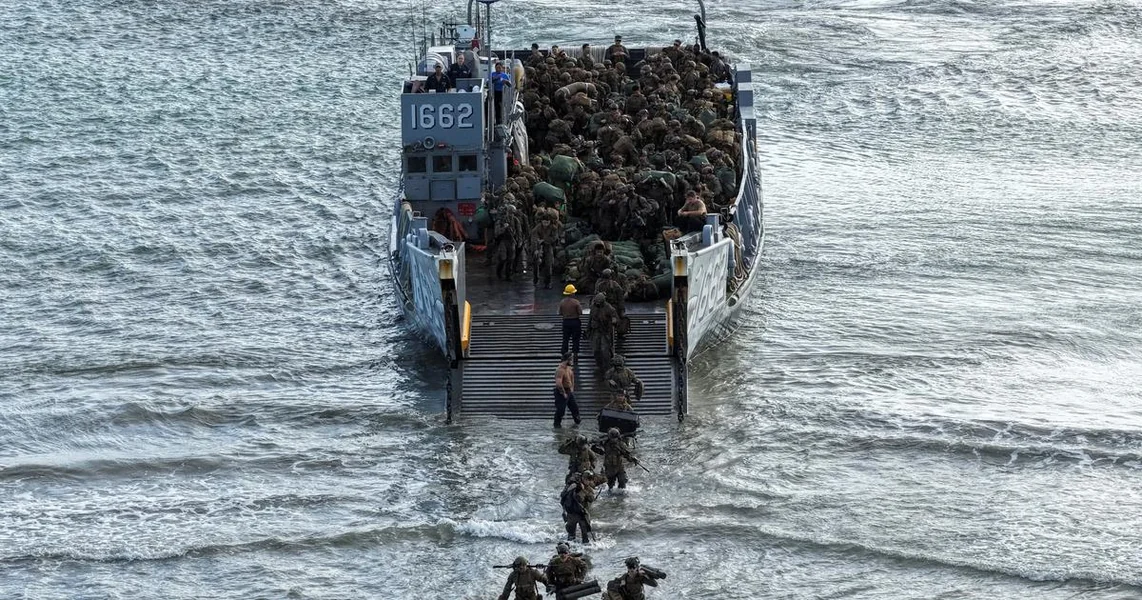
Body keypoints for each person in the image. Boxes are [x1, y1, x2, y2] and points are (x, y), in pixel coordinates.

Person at [560, 470, 607, 544]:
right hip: (572, 513)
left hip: (582, 514)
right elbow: (563, 495)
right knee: (571, 536)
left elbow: (591, 499)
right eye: (586, 479)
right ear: (583, 478)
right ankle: (568, 551)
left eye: (589, 480)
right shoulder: (573, 485)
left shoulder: (589, 489)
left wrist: (583, 490)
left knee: (585, 537)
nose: (588, 481)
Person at [587, 294, 618, 372]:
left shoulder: (608, 308)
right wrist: (588, 329)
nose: (597, 303)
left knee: (605, 349)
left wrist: (614, 320)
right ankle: (599, 364)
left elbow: (614, 315)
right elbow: (590, 318)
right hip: (595, 330)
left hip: (605, 331)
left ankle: (607, 366)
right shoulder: (593, 307)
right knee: (596, 349)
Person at [594, 269, 628, 337]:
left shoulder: (599, 284)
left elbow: (596, 295)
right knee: (620, 318)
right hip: (613, 306)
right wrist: (622, 309)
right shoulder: (615, 285)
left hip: (601, 306)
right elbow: (620, 298)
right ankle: (620, 333)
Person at [553, 354, 581, 428]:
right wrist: (563, 393)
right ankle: (557, 425)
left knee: (575, 408)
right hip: (561, 392)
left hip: (569, 391)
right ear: (567, 360)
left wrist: (571, 388)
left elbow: (572, 378)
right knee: (561, 410)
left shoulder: (569, 368)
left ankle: (577, 423)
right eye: (571, 359)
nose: (572, 361)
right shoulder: (560, 369)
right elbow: (558, 383)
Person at [559, 284, 583, 359]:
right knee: (575, 339)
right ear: (572, 293)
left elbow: (560, 313)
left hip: (566, 322)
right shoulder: (576, 302)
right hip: (575, 322)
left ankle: (564, 353)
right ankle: (575, 353)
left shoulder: (562, 302)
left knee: (565, 339)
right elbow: (580, 312)